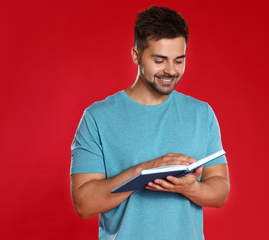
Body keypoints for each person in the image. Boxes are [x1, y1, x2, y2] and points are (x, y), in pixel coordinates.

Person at [70, 6, 230, 240]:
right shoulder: (97, 117)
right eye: (159, 60)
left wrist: (189, 187)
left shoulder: (201, 114)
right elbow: (84, 204)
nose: (171, 70)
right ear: (136, 55)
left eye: (179, 60)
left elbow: (220, 191)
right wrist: (143, 171)